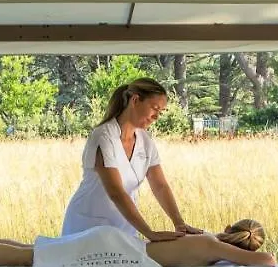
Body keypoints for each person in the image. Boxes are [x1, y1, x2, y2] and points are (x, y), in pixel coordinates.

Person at [61, 78, 199, 242]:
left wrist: (179, 223)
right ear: (135, 100)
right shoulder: (104, 136)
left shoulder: (145, 141)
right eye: (155, 108)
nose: (156, 117)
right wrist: (150, 233)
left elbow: (160, 185)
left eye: (160, 112)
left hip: (124, 229)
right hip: (87, 227)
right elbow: (116, 192)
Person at [0, 219, 277, 267]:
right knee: (32, 257)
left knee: (33, 250)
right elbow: (268, 262)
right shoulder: (214, 246)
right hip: (118, 251)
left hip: (119, 243)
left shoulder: (206, 238)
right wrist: (243, 251)